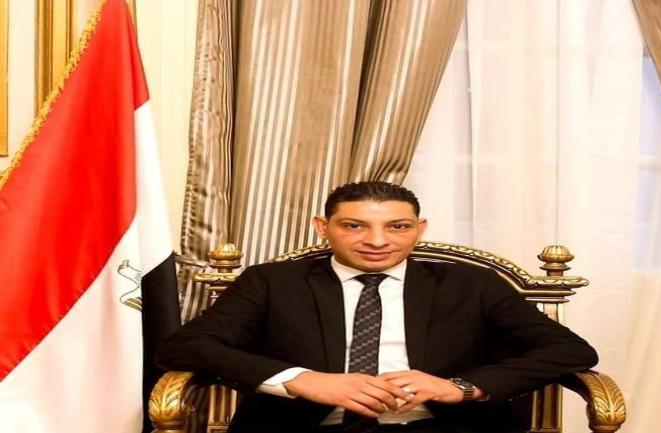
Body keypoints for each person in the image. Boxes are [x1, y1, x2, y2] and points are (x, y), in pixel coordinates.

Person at [157, 181, 598, 433]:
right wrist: (300, 380)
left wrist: (460, 388)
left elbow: (569, 351)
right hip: (299, 429)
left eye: (397, 227)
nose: (377, 241)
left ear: (419, 229)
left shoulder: (470, 284)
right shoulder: (273, 282)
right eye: (355, 226)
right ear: (323, 227)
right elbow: (185, 346)